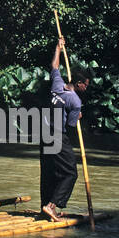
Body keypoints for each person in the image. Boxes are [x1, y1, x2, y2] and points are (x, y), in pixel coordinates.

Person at [41, 37, 88, 222]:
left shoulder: (57, 84)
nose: (86, 87)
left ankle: (44, 207)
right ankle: (51, 206)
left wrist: (58, 48)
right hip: (57, 135)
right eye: (85, 84)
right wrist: (77, 117)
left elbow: (54, 66)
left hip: (44, 132)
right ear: (78, 84)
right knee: (70, 173)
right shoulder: (75, 101)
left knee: (50, 171)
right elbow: (70, 126)